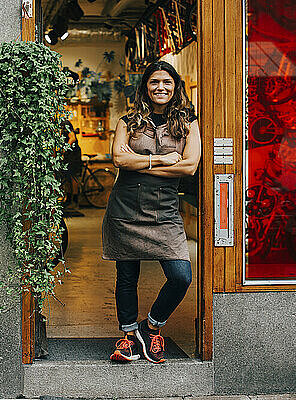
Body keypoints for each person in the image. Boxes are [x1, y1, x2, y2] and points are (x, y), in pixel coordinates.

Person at [103, 61, 201, 364]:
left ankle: (152, 326)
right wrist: (164, 160)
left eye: (167, 82)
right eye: (155, 81)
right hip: (126, 208)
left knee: (181, 276)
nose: (161, 87)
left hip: (165, 210)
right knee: (127, 276)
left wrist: (142, 162)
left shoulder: (188, 122)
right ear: (145, 86)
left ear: (176, 87)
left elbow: (190, 165)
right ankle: (129, 337)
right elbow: (119, 158)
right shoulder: (128, 121)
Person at [61, 120, 82, 210]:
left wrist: (64, 149)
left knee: (73, 178)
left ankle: (75, 201)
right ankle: (68, 200)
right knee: (68, 178)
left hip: (73, 156)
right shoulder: (61, 124)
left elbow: (72, 138)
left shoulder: (65, 124)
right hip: (68, 157)